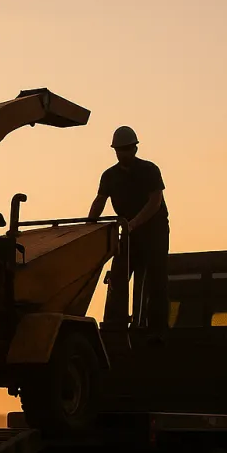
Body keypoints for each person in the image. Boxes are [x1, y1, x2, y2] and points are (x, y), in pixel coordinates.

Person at [89, 125, 170, 332]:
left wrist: (133, 223)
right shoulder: (109, 176)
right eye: (120, 149)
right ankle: (114, 326)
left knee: (156, 279)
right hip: (128, 233)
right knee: (118, 278)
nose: (124, 153)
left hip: (154, 232)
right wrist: (88, 226)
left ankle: (157, 329)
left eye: (127, 149)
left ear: (134, 149)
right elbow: (99, 201)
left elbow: (155, 202)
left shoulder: (149, 170)